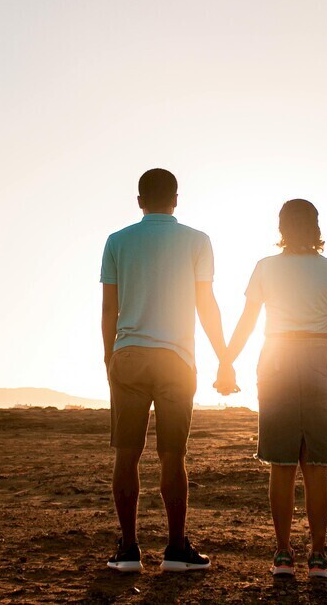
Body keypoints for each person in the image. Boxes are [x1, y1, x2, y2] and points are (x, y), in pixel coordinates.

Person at [214, 198, 327, 579]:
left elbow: (247, 321)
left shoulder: (265, 268)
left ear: (281, 228)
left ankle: (282, 554)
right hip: (317, 358)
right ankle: (318, 556)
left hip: (276, 356)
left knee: (281, 465)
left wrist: (227, 361)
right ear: (315, 227)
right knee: (316, 463)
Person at [100, 168, 231, 573]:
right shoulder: (197, 241)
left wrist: (110, 359)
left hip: (130, 354)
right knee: (173, 456)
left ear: (139, 201)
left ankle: (128, 550)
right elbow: (205, 304)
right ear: (176, 198)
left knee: (127, 454)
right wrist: (224, 359)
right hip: (177, 360)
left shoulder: (117, 241)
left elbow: (109, 309)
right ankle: (176, 550)